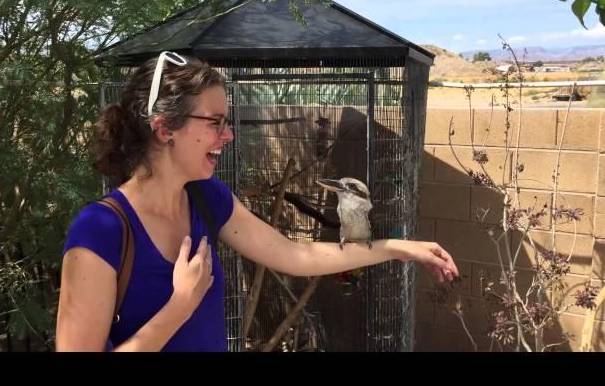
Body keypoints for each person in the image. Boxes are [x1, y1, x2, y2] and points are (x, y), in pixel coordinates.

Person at [55, 51, 459, 352]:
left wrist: (396, 249)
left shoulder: (206, 199)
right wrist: (180, 304)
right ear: (165, 129)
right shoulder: (101, 230)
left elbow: (293, 255)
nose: (227, 135)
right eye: (215, 122)